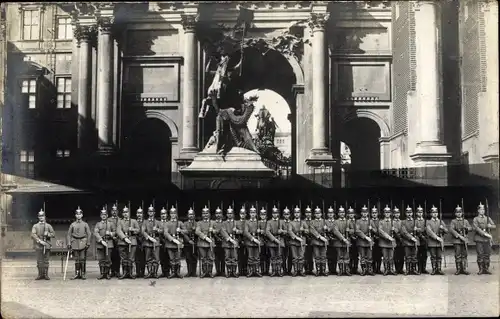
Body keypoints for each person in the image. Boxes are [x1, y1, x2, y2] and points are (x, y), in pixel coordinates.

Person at [66, 207, 91, 280]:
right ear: (75, 215)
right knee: (76, 259)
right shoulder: (72, 224)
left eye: (80, 214)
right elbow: (68, 234)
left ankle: (82, 274)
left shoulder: (85, 224)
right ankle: (77, 273)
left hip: (83, 242)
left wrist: (88, 242)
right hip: (74, 242)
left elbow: (89, 233)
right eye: (77, 214)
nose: (78, 215)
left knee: (82, 258)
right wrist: (69, 243)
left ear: (82, 215)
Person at [116, 206, 140, 279]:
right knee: (123, 258)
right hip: (122, 242)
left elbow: (138, 230)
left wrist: (132, 229)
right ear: (122, 214)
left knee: (131, 258)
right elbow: (118, 231)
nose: (125, 214)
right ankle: (124, 273)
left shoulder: (133, 221)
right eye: (124, 212)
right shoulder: (120, 221)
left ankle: (130, 273)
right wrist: (124, 238)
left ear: (129, 213)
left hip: (132, 241)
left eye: (127, 212)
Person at [31, 209, 55, 280]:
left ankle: (46, 275)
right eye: (40, 216)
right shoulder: (35, 226)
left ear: (45, 217)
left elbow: (53, 234)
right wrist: (39, 241)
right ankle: (40, 275)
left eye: (42, 216)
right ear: (38, 217)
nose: (41, 217)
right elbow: (33, 234)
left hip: (47, 245)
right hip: (38, 245)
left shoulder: (48, 226)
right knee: (39, 261)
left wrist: (48, 234)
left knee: (46, 261)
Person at [473, 202, 496, 275]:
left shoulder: (488, 218)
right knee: (480, 254)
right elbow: (476, 228)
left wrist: (490, 226)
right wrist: (485, 234)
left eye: (483, 209)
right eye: (481, 209)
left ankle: (486, 268)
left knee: (487, 254)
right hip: (479, 239)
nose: (482, 211)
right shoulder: (475, 219)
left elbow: (494, 226)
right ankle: (481, 269)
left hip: (487, 240)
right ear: (478, 210)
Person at [94, 207, 115, 280]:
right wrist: (101, 240)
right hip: (101, 244)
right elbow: (96, 233)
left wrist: (110, 233)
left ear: (107, 215)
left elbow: (115, 232)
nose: (103, 216)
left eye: (105, 214)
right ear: (100, 215)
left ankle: (107, 274)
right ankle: (102, 273)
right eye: (102, 214)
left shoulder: (110, 224)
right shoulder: (98, 224)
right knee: (101, 259)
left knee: (108, 259)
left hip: (108, 243)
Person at [449, 205, 472, 275]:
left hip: (464, 240)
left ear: (462, 213)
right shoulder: (453, 221)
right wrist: (458, 235)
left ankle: (464, 269)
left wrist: (466, 228)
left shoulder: (465, 221)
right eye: (457, 212)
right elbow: (451, 229)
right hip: (457, 241)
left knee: (464, 255)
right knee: (458, 255)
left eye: (460, 212)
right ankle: (458, 269)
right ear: (455, 213)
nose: (459, 213)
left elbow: (471, 228)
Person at [164, 206, 185, 279]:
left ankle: (178, 273)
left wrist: (180, 231)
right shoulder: (167, 223)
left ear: (176, 214)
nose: (173, 215)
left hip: (178, 243)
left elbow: (186, 231)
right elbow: (166, 233)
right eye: (171, 213)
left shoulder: (180, 223)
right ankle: (173, 272)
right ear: (170, 214)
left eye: (174, 213)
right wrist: (172, 239)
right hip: (170, 243)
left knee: (178, 258)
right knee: (171, 259)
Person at [425, 205, 447, 275]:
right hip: (432, 242)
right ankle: (434, 269)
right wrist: (437, 238)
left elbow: (447, 230)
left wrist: (442, 228)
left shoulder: (441, 221)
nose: (435, 214)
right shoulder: (428, 222)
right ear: (431, 214)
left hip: (439, 242)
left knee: (439, 256)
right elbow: (429, 232)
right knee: (433, 256)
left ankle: (439, 269)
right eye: (433, 212)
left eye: (436, 212)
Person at [141, 205, 162, 279]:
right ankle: (149, 272)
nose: (151, 213)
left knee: (156, 258)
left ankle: (155, 273)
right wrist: (149, 237)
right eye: (149, 211)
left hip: (156, 241)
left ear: (154, 212)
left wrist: (157, 230)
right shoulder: (145, 222)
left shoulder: (158, 222)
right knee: (148, 258)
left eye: (152, 211)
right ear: (147, 212)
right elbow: (143, 231)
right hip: (148, 242)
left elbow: (162, 230)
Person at [195, 206, 215, 278]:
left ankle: (209, 272)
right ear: (202, 214)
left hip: (210, 243)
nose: (205, 214)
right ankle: (204, 272)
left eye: (207, 213)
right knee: (203, 258)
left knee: (210, 258)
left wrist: (213, 230)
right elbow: (197, 231)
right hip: (202, 243)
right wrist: (205, 237)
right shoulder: (199, 223)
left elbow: (218, 230)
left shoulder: (213, 222)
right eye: (204, 213)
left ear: (209, 214)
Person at [355, 205, 375, 276]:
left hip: (369, 242)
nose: (364, 214)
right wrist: (365, 237)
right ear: (361, 213)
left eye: (366, 212)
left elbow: (376, 231)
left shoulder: (371, 221)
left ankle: (369, 269)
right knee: (362, 256)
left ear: (368, 213)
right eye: (363, 212)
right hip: (361, 241)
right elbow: (357, 230)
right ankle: (364, 270)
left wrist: (371, 229)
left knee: (369, 256)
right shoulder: (358, 221)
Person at [265, 205, 285, 277]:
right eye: (273, 213)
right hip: (272, 241)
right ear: (272, 214)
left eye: (276, 213)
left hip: (280, 240)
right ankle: (274, 271)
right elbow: (267, 232)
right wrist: (274, 239)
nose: (275, 214)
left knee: (279, 256)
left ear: (278, 214)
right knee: (273, 257)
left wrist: (282, 231)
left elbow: (287, 231)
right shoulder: (269, 222)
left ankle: (279, 271)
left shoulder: (282, 221)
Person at [220, 206, 240, 277]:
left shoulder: (236, 222)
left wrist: (237, 231)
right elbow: (223, 231)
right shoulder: (224, 223)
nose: (230, 215)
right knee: (227, 257)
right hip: (227, 242)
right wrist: (229, 238)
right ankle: (229, 271)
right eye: (228, 213)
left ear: (233, 214)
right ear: (226, 214)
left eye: (231, 213)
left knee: (234, 257)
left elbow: (242, 231)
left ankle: (234, 271)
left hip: (235, 241)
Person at [309, 207, 329, 276]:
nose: (318, 215)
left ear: (321, 214)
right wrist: (320, 237)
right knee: (317, 256)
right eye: (316, 213)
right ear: (314, 214)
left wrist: (326, 229)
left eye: (319, 213)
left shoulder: (325, 221)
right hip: (316, 241)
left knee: (323, 256)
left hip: (323, 242)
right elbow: (312, 230)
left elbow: (330, 229)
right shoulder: (312, 222)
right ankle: (318, 270)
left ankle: (323, 270)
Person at [287, 206, 307, 276]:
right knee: (295, 257)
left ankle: (301, 271)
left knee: (301, 256)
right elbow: (289, 231)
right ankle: (295, 271)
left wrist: (303, 230)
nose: (296, 214)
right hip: (294, 242)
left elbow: (308, 230)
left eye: (298, 212)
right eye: (295, 212)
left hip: (302, 241)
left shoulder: (303, 222)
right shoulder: (291, 223)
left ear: (300, 214)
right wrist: (296, 237)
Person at [332, 206, 351, 276]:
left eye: (343, 212)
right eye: (340, 212)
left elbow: (353, 230)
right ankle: (341, 270)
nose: (342, 214)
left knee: (346, 256)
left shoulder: (348, 221)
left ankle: (346, 270)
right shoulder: (336, 222)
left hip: (347, 241)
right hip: (339, 241)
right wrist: (343, 238)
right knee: (340, 256)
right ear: (338, 214)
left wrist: (349, 231)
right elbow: (335, 231)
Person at [243, 206, 262, 277]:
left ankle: (256, 271)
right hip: (250, 241)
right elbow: (246, 232)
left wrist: (260, 231)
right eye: (251, 212)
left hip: (257, 241)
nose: (253, 214)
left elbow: (264, 230)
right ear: (249, 214)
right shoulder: (247, 222)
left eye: (254, 212)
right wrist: (253, 239)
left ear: (256, 214)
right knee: (250, 257)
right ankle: (251, 271)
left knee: (257, 257)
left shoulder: (258, 222)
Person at [378, 206, 396, 276]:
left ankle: (391, 269)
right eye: (386, 212)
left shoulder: (393, 222)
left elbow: (398, 231)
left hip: (391, 243)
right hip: (384, 242)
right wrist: (388, 237)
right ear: (384, 213)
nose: (387, 214)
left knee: (391, 257)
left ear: (390, 213)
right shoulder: (381, 222)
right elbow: (380, 231)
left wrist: (394, 230)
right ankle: (386, 269)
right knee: (385, 257)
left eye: (388, 212)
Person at [401, 206, 419, 275]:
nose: (409, 214)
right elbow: (404, 232)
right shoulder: (403, 222)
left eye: (410, 212)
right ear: (406, 213)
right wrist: (411, 237)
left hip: (415, 242)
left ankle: (414, 269)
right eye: (408, 213)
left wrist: (416, 229)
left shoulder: (415, 221)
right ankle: (408, 270)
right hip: (407, 242)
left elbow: (421, 229)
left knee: (414, 256)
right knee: (407, 256)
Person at [183, 207, 198, 277]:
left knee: (194, 257)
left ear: (194, 215)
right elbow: (184, 233)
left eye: (192, 214)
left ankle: (194, 272)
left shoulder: (197, 223)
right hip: (187, 243)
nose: (191, 216)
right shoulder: (185, 223)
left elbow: (198, 232)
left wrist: (195, 230)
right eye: (189, 214)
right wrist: (189, 240)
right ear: (187, 215)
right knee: (188, 258)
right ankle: (189, 272)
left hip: (195, 242)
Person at [108, 204, 121, 278]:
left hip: (119, 240)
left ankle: (117, 271)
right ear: (111, 212)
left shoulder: (120, 220)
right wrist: (112, 236)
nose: (114, 212)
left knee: (118, 256)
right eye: (113, 210)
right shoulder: (108, 220)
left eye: (115, 211)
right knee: (111, 256)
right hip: (111, 240)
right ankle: (112, 271)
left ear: (118, 211)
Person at [415, 206, 428, 274]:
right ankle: (419, 269)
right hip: (418, 239)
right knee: (418, 255)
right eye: (419, 212)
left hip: (424, 239)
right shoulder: (415, 221)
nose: (420, 213)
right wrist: (417, 230)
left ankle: (424, 268)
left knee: (424, 255)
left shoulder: (425, 221)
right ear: (417, 213)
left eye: (421, 212)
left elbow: (427, 230)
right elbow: (415, 230)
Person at [213, 207, 225, 277]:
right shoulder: (213, 223)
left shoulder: (224, 222)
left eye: (219, 213)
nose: (218, 215)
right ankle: (218, 271)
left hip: (223, 241)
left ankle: (223, 271)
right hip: (215, 241)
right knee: (216, 258)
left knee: (223, 257)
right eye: (217, 213)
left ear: (221, 214)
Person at [325, 206, 338, 275]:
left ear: (333, 214)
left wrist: (329, 228)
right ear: (327, 214)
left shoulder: (336, 221)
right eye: (329, 213)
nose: (330, 214)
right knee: (329, 256)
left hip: (335, 240)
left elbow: (335, 230)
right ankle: (330, 270)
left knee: (335, 255)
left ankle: (334, 270)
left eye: (331, 213)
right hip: (328, 240)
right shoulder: (325, 221)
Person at [158, 207, 170, 277]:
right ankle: (163, 272)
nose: (163, 215)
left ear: (167, 214)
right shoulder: (158, 223)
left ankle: (168, 272)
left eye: (164, 214)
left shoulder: (169, 222)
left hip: (168, 241)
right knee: (162, 257)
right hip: (160, 241)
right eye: (162, 214)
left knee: (168, 257)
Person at [236, 206, 248, 276]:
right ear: (239, 214)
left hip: (247, 240)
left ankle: (246, 270)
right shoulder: (236, 222)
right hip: (239, 240)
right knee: (239, 256)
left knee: (246, 256)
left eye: (244, 213)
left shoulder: (248, 222)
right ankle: (240, 271)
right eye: (241, 213)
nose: (242, 215)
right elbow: (234, 231)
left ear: (246, 214)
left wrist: (240, 231)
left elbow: (247, 231)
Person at [392, 207, 404, 274]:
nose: (397, 214)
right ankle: (397, 269)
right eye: (395, 213)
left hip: (401, 239)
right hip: (395, 240)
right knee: (396, 256)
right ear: (393, 214)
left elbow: (403, 230)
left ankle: (401, 269)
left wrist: (398, 233)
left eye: (398, 213)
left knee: (401, 255)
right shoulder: (392, 222)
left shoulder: (401, 222)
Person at [281, 207, 293, 275]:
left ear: (289, 215)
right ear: (283, 215)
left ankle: (289, 270)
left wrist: (285, 231)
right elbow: (279, 230)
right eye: (285, 214)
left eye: (287, 214)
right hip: (283, 240)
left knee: (290, 256)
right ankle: (284, 270)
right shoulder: (281, 222)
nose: (286, 216)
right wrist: (287, 232)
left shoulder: (292, 222)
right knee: (283, 256)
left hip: (290, 240)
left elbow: (293, 231)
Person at [370, 206, 382, 274]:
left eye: (375, 213)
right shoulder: (370, 221)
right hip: (372, 239)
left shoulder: (380, 221)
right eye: (373, 213)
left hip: (379, 239)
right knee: (372, 255)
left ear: (377, 214)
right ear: (371, 214)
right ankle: (374, 269)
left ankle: (378, 269)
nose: (374, 214)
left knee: (379, 255)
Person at [347, 207, 359, 274]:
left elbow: (358, 230)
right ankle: (350, 268)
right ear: (348, 214)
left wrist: (352, 231)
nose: (351, 215)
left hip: (357, 239)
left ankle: (355, 268)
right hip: (349, 239)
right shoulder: (346, 221)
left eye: (352, 213)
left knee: (356, 255)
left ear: (354, 214)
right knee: (350, 255)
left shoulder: (357, 221)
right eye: (349, 213)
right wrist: (351, 233)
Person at [258, 207, 269, 275]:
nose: (263, 216)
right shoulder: (258, 222)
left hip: (268, 240)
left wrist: (263, 231)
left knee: (268, 256)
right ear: (260, 215)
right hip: (261, 241)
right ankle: (262, 270)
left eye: (264, 215)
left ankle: (267, 271)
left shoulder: (268, 222)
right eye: (261, 215)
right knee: (261, 256)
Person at [135, 207, 146, 278]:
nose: (139, 214)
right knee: (137, 258)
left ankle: (143, 272)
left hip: (144, 241)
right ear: (136, 214)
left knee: (143, 258)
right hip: (136, 241)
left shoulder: (145, 222)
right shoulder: (134, 222)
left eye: (141, 213)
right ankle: (137, 272)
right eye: (138, 213)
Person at [303, 206, 314, 275]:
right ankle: (306, 269)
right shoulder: (302, 221)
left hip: (312, 239)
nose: (308, 214)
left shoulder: (313, 221)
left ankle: (311, 269)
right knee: (305, 255)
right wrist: (304, 230)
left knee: (311, 255)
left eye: (309, 212)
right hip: (305, 239)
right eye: (307, 213)